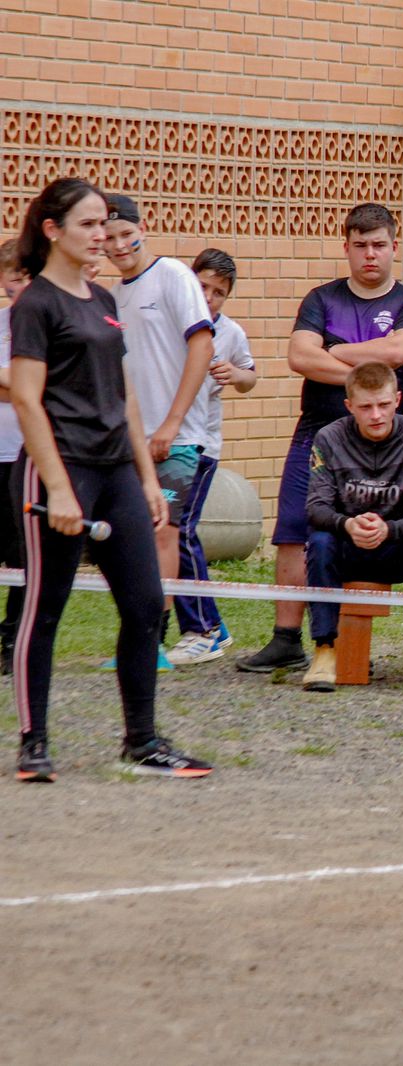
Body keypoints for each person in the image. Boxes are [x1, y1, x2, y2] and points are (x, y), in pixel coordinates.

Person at [10, 177, 212, 781]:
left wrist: (147, 478)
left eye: (107, 224)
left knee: (147, 604)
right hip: (61, 470)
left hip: (118, 469)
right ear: (53, 230)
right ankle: (33, 742)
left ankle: (142, 741)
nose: (103, 236)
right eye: (90, 225)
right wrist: (61, 488)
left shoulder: (102, 298)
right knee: (44, 610)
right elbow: (25, 399)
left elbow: (123, 396)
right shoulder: (36, 303)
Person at [238, 203, 403, 674]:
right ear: (346, 247)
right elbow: (301, 358)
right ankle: (287, 639)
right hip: (317, 434)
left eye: (379, 245)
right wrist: (369, 377)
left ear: (393, 247)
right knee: (292, 532)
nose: (370, 255)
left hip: (388, 444)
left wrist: (337, 350)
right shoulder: (321, 298)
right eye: (360, 245)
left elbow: (399, 351)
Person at [101, 194, 216, 670]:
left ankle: (155, 643)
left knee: (163, 531)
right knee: (129, 539)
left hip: (177, 436)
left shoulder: (173, 276)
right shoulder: (111, 296)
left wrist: (171, 422)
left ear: (141, 228)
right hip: (130, 439)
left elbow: (202, 346)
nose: (118, 245)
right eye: (107, 240)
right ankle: (137, 633)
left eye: (125, 234)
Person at [301, 361, 403, 697]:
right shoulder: (328, 438)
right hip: (345, 545)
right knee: (319, 541)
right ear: (349, 406)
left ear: (398, 399)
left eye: (383, 405)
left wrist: (389, 529)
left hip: (394, 547)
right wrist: (348, 523)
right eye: (366, 407)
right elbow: (316, 508)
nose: (376, 415)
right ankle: (325, 650)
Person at [166, 248, 257, 665]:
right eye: (202, 286)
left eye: (219, 292)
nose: (209, 297)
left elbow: (250, 377)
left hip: (202, 446)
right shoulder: (170, 321)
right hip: (163, 440)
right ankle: (209, 627)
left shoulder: (231, 333)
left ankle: (204, 628)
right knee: (164, 533)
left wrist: (236, 375)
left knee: (181, 530)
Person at [0, 239, 29, 674]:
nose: (18, 288)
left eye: (26, 279)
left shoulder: (45, 326)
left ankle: (14, 639)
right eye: (11, 280)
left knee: (24, 553)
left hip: (29, 455)